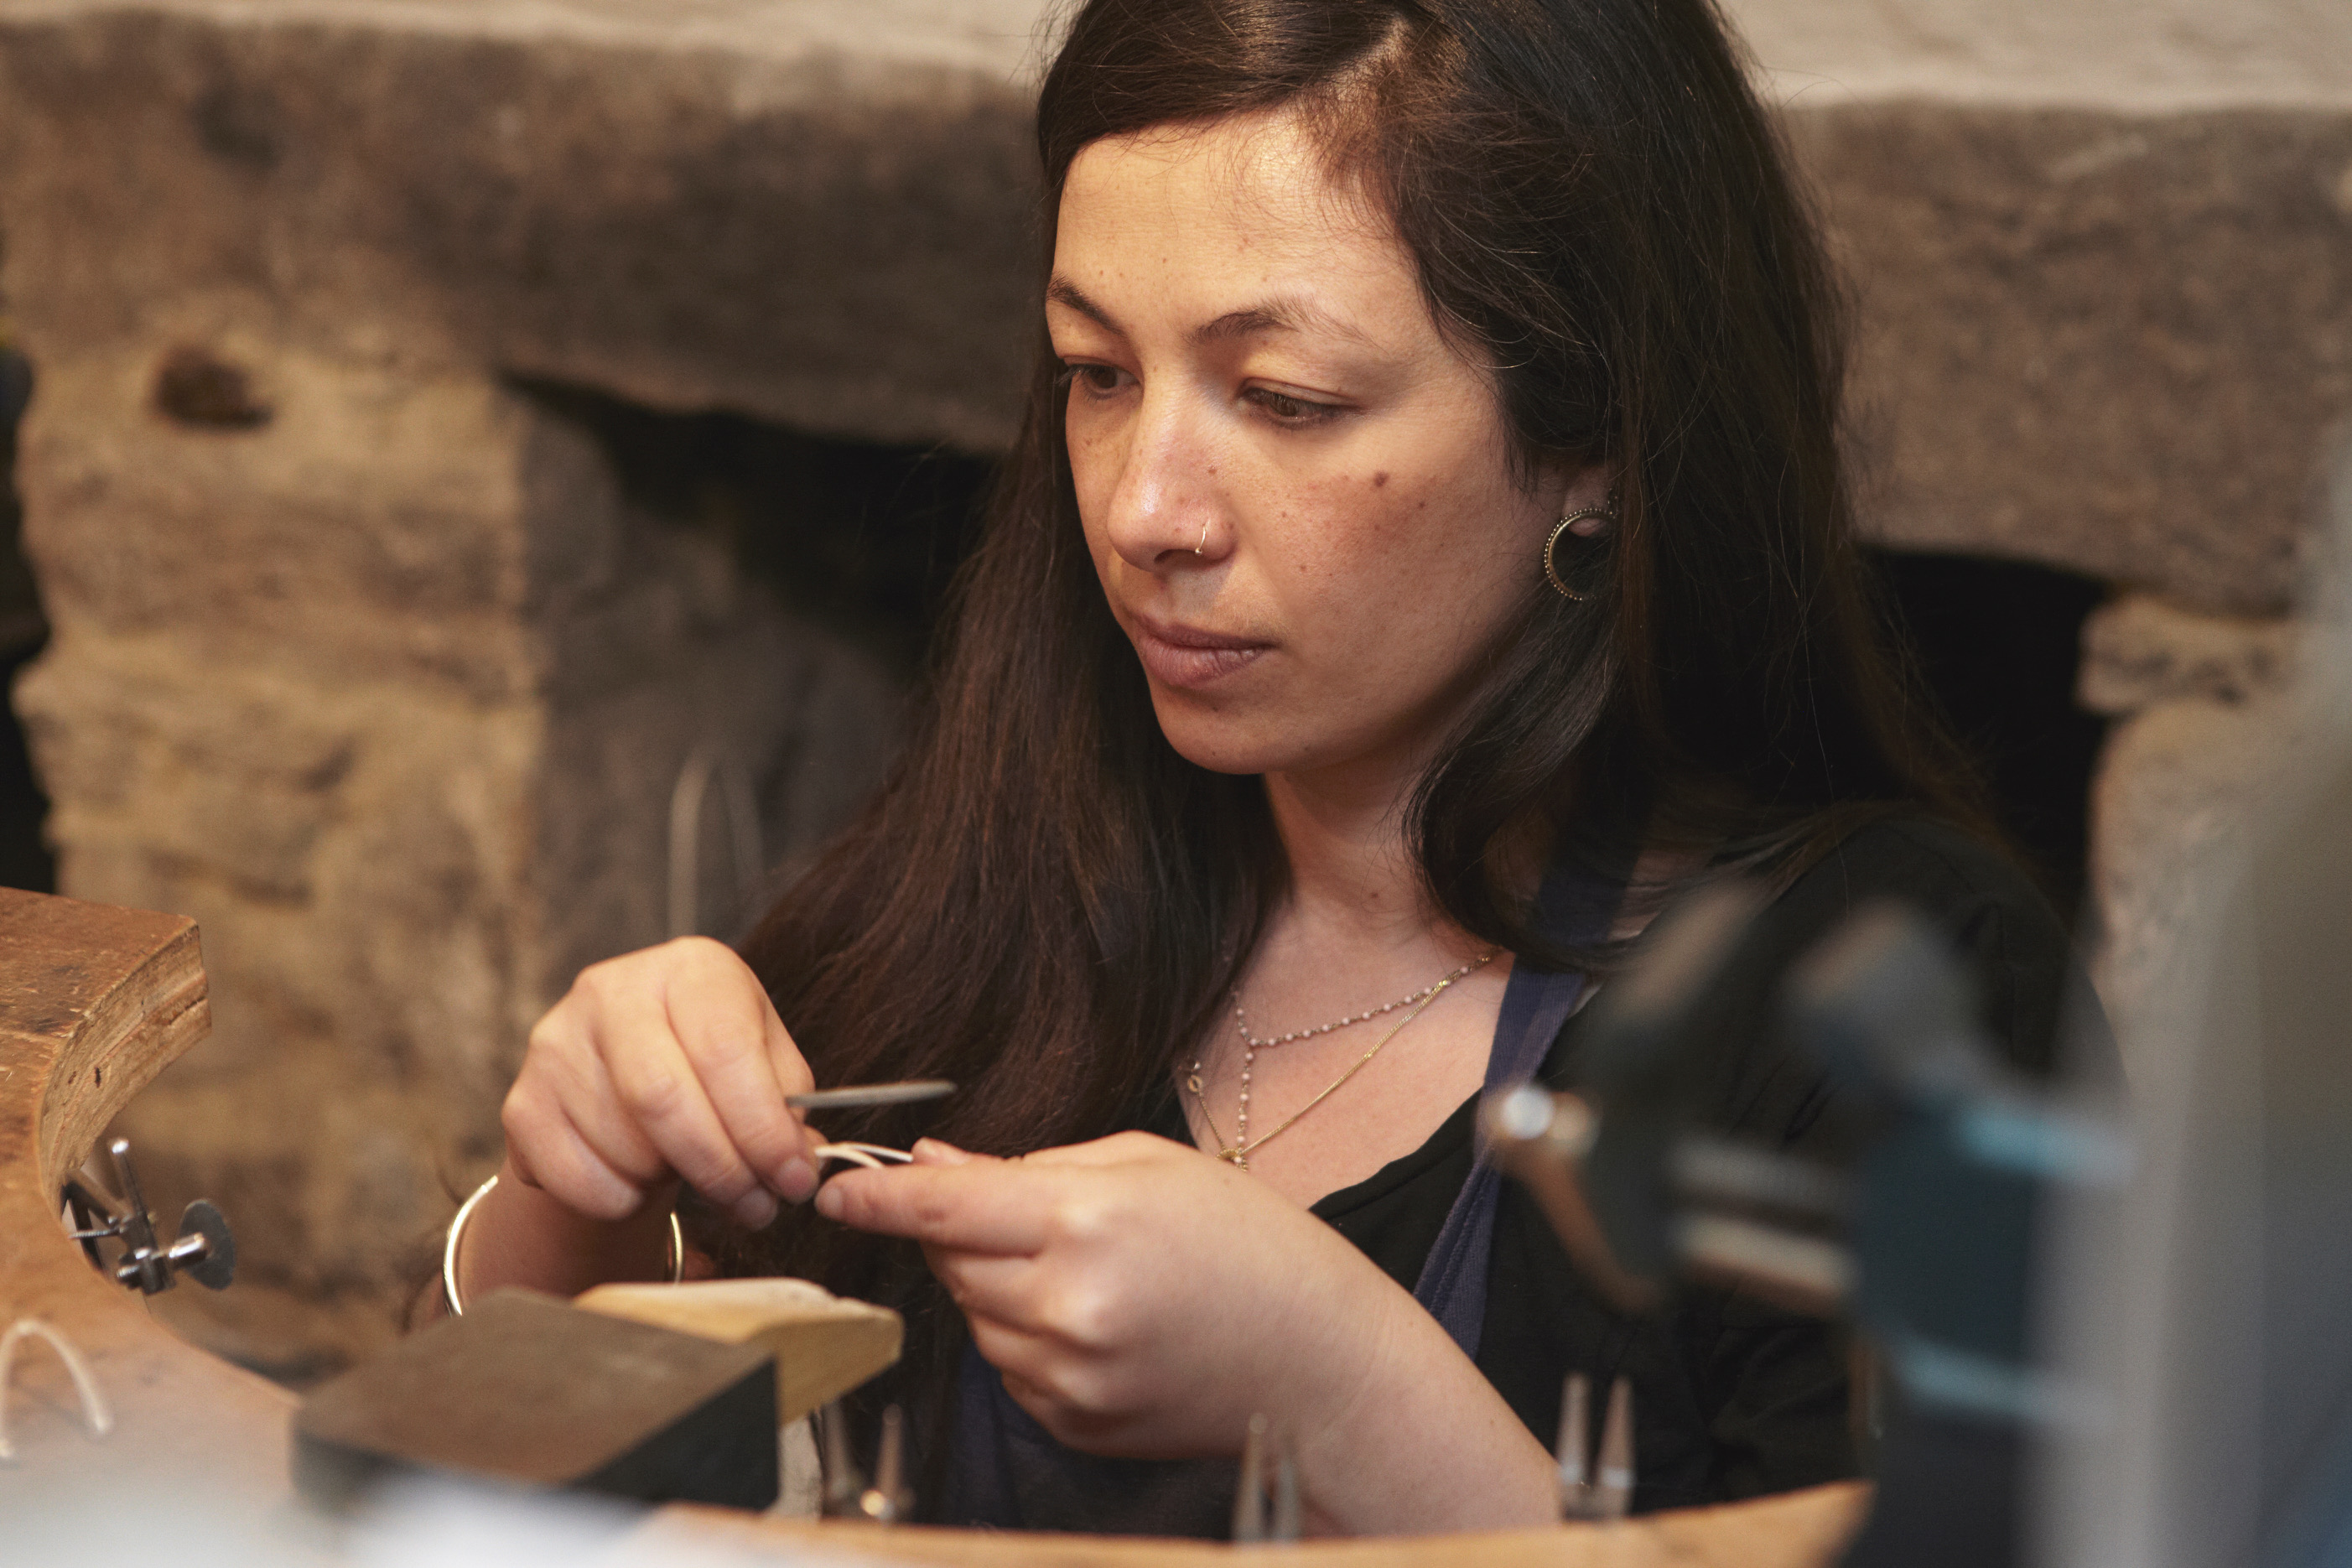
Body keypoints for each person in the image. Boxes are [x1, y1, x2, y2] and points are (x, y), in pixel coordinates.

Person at [446, 0, 2101, 1539]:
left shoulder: (1885, 997)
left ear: (1595, 439)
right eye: (1097, 372)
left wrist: (1339, 1388)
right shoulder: (993, 883)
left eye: (1284, 398)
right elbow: (471, 1491)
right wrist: (571, 1206)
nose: (1143, 510)